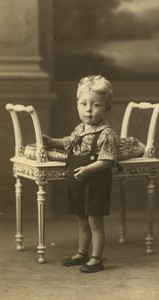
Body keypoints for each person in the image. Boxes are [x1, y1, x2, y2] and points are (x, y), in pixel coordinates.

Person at [43, 75, 119, 273]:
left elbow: (107, 160)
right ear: (77, 104)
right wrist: (52, 141)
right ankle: (82, 253)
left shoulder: (106, 134)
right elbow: (68, 142)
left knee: (95, 221)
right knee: (81, 219)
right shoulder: (80, 129)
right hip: (79, 179)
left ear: (106, 108)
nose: (88, 109)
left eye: (96, 105)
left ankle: (96, 258)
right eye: (84, 104)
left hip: (95, 180)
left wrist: (87, 170)